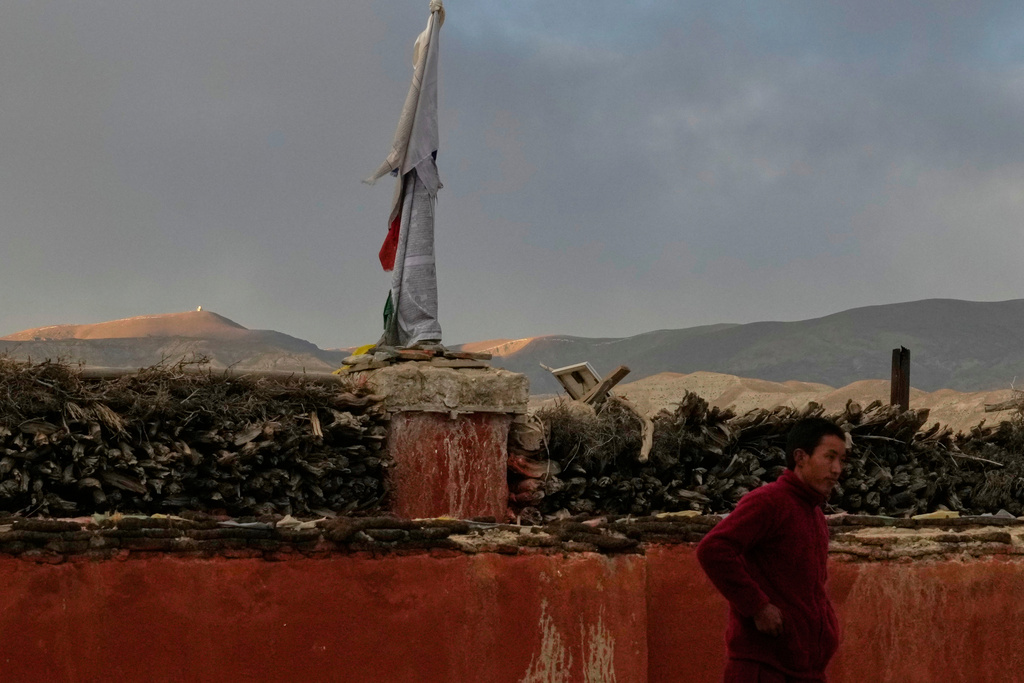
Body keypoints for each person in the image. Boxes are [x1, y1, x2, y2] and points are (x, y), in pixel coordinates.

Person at [696, 417, 848, 683]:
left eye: (842, 460)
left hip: (805, 669)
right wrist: (757, 606)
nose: (837, 469)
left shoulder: (814, 514)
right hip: (763, 668)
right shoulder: (769, 502)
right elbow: (714, 549)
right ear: (800, 457)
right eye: (829, 457)